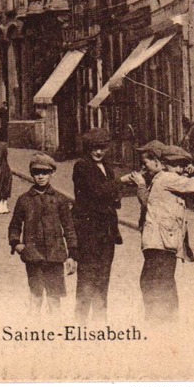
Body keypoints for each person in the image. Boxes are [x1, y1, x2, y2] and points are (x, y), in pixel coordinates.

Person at [124, 143, 194, 322]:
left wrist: (193, 171)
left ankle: (160, 323)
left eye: (182, 166)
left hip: (157, 243)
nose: (181, 169)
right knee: (161, 286)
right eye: (177, 166)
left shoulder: (162, 177)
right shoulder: (168, 178)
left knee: (155, 283)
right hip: (162, 243)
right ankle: (163, 326)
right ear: (167, 165)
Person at [8, 153, 77, 316]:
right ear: (32, 174)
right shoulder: (24, 200)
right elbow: (14, 225)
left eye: (45, 172)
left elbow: (69, 228)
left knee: (54, 299)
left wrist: (72, 254)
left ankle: (54, 333)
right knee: (36, 297)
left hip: (55, 256)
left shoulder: (60, 200)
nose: (40, 176)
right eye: (37, 172)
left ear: (53, 173)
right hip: (33, 256)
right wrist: (16, 243)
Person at [72, 128, 125, 322]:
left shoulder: (107, 167)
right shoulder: (81, 166)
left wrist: (117, 191)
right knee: (87, 277)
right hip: (88, 232)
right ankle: (80, 322)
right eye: (95, 148)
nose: (99, 152)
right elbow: (96, 191)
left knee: (103, 277)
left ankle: (100, 321)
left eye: (102, 148)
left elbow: (111, 195)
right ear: (88, 148)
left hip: (107, 233)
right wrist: (119, 183)